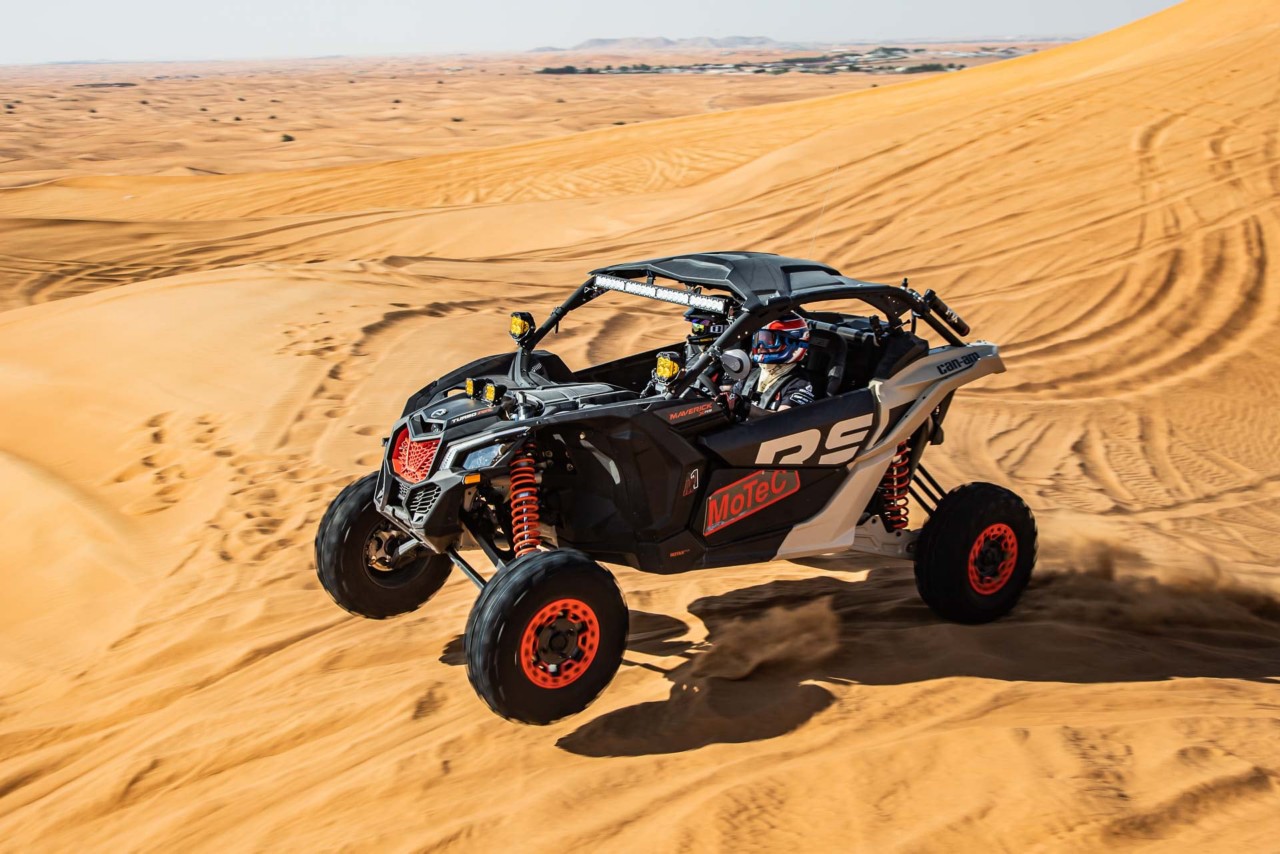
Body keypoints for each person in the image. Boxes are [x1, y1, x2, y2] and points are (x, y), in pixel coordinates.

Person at [744, 314, 814, 412]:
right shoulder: (751, 374)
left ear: (791, 343)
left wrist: (743, 408)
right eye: (758, 339)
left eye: (768, 340)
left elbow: (783, 420)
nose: (760, 346)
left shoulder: (800, 384)